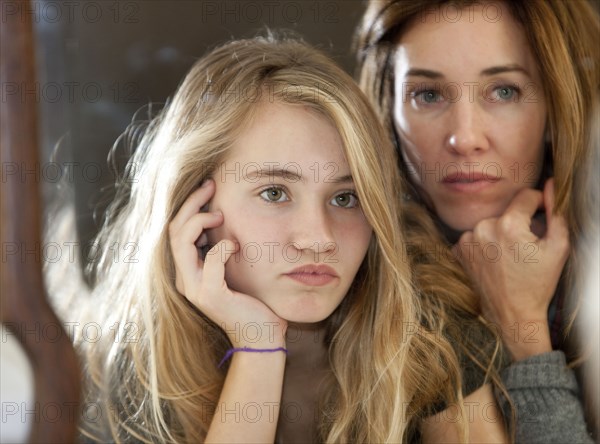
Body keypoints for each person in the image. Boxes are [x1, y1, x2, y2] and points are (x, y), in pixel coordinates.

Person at [61, 35, 479, 443]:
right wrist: (257, 347)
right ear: (194, 205)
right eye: (274, 193)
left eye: (345, 197)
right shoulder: (125, 372)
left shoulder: (432, 327)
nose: (318, 239)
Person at [356, 0, 599, 442]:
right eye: (428, 95)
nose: (464, 138)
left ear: (557, 107)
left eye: (503, 91)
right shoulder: (348, 286)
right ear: (387, 111)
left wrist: (524, 330)